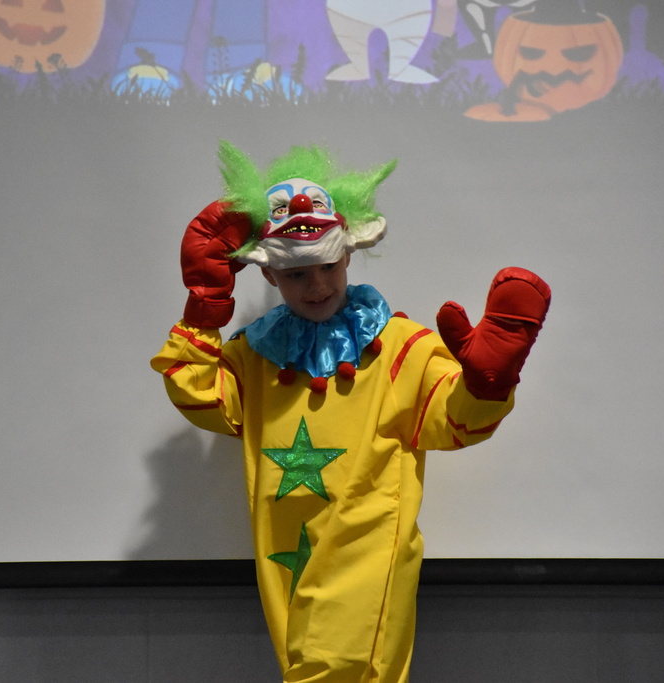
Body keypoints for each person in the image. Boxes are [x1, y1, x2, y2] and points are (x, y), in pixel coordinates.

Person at [151, 141, 550, 682]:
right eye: (296, 274)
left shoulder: (400, 347)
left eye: (328, 266)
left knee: (339, 672)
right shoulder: (254, 353)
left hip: (369, 554)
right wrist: (203, 307)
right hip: (286, 559)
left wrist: (487, 383)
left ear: (348, 256)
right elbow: (204, 401)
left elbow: (455, 422)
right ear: (268, 277)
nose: (316, 285)